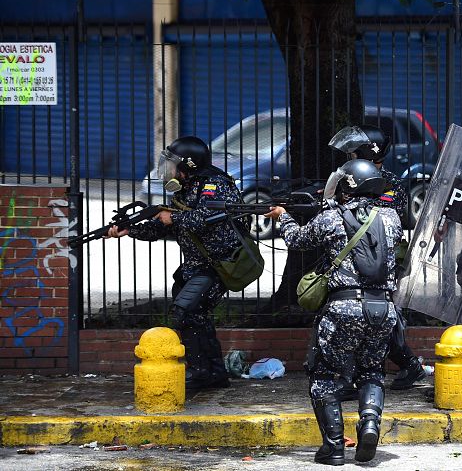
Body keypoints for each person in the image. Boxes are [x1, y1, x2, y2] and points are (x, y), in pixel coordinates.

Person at [265, 158, 402, 466]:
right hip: (383, 309)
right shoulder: (392, 218)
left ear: (347, 187)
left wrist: (284, 216)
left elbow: (297, 240)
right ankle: (369, 423)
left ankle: (334, 447)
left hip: (344, 307)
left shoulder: (331, 218)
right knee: (372, 372)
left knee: (324, 375)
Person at [107, 136, 246, 391]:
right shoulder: (186, 187)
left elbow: (207, 218)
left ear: (189, 165)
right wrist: (130, 230)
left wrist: (172, 218)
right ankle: (214, 373)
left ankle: (201, 371)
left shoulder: (215, 185)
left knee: (188, 311)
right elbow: (164, 225)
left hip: (219, 264)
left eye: (173, 164)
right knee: (197, 316)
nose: (168, 169)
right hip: (194, 265)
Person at [328, 124, 426, 390]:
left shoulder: (390, 184)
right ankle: (408, 367)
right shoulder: (348, 178)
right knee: (369, 317)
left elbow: (375, 218)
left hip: (380, 261)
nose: (349, 157)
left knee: (372, 317)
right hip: (354, 260)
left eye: (354, 153)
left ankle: (355, 380)